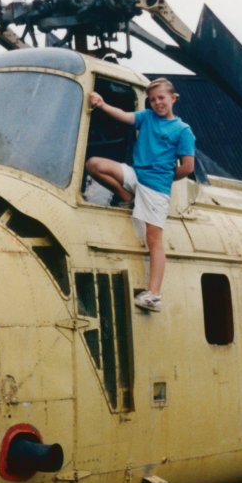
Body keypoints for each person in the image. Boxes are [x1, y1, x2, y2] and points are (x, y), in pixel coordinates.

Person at [85, 78, 196, 313]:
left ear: (173, 98)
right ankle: (126, 196)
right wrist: (102, 105)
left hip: (156, 189)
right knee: (94, 164)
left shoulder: (182, 130)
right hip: (136, 175)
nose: (157, 103)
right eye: (153, 99)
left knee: (153, 240)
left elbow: (187, 167)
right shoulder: (146, 117)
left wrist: (164, 177)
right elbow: (124, 116)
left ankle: (154, 294)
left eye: (161, 98)